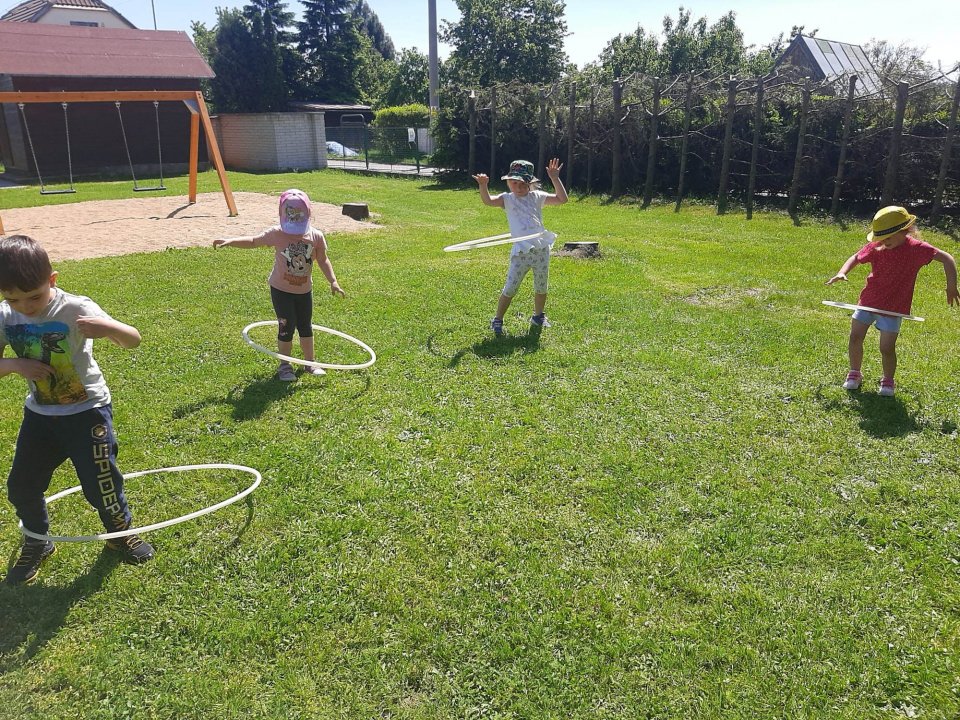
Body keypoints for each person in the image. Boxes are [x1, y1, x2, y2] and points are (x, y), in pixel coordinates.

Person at [0, 235, 154, 585]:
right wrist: (15, 364)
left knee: (101, 483)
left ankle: (119, 533)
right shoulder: (5, 316)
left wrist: (109, 328)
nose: (24, 306)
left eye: (34, 296)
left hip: (87, 413)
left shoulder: (75, 308)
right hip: (41, 417)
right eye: (13, 298)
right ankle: (37, 540)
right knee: (21, 485)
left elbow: (133, 339)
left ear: (52, 280)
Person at [213, 189, 345, 380]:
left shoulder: (316, 236)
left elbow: (323, 260)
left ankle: (310, 363)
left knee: (305, 326)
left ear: (309, 214)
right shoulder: (277, 233)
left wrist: (333, 281)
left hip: (304, 291)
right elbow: (253, 241)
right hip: (281, 290)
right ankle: (285, 366)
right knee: (286, 326)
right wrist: (231, 241)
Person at [826, 205, 958, 396]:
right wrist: (842, 272)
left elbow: (947, 259)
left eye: (888, 237)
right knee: (855, 336)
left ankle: (888, 380)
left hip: (894, 307)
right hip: (869, 300)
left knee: (886, 347)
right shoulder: (877, 246)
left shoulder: (917, 249)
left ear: (905, 231)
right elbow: (855, 257)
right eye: (880, 237)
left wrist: (951, 286)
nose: (883, 241)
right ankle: (854, 373)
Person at [473, 158, 568, 336]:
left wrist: (555, 178)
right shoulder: (507, 199)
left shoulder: (537, 197)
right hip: (521, 252)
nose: (518, 187)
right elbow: (488, 201)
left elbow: (562, 199)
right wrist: (483, 185)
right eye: (514, 183)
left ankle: (538, 316)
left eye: (523, 184)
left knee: (541, 286)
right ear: (509, 182)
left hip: (540, 250)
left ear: (530, 183)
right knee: (510, 288)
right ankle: (498, 319)